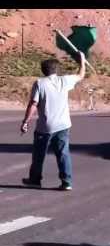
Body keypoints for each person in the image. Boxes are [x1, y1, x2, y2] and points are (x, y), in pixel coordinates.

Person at [21, 52, 86, 191]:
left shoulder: (39, 83)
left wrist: (26, 121)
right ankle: (66, 181)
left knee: (39, 154)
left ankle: (35, 180)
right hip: (63, 125)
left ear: (43, 70)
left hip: (45, 126)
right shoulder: (64, 80)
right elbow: (81, 75)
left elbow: (33, 103)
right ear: (56, 70)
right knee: (63, 153)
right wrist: (82, 60)